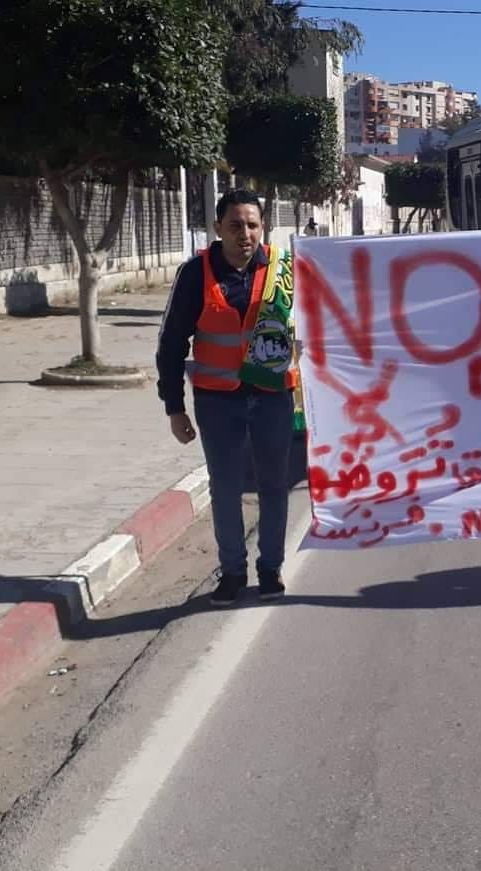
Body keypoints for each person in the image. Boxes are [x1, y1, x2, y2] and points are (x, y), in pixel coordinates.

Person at [156, 189, 298, 605]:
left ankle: (270, 570)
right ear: (217, 228)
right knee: (226, 488)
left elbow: (317, 320)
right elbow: (170, 345)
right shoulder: (194, 274)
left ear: (263, 228)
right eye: (235, 225)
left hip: (273, 397)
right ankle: (232, 573)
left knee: (275, 486)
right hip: (218, 401)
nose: (245, 234)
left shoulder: (284, 270)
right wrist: (174, 407)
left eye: (253, 225)